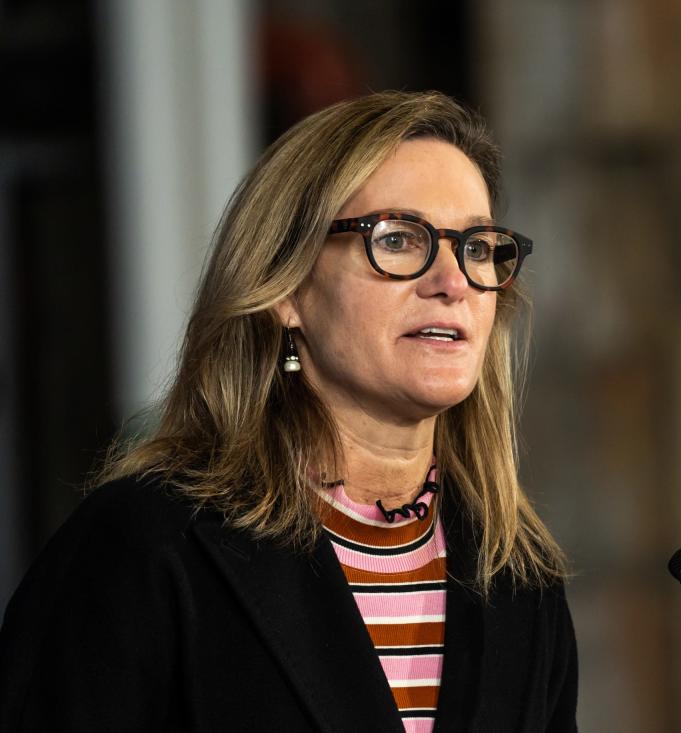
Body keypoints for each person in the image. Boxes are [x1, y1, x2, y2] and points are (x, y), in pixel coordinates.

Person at [0, 90, 577, 732]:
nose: (452, 281)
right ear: (287, 289)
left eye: (477, 247)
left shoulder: (518, 576)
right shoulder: (148, 546)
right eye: (399, 239)